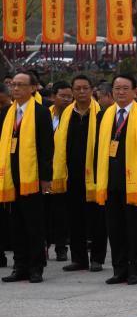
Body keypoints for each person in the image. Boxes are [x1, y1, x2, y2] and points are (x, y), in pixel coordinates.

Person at [94, 75, 137, 285]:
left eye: (124, 88)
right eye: (117, 88)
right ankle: (118, 269)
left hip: (134, 181)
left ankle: (134, 269)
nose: (120, 92)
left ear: (134, 91)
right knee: (115, 227)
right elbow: (98, 150)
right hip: (110, 180)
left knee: (135, 227)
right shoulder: (103, 116)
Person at [0, 72, 54, 283]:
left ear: (33, 88)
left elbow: (47, 147)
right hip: (11, 176)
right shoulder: (6, 112)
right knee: (16, 224)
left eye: (21, 85)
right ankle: (19, 266)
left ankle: (36, 267)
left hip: (32, 176)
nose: (16, 89)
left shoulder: (40, 113)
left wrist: (46, 178)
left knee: (34, 224)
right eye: (13, 85)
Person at [52, 75, 107, 273]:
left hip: (95, 176)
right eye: (78, 89)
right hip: (72, 175)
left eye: (85, 88)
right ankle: (79, 258)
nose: (82, 92)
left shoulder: (101, 114)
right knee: (74, 219)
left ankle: (97, 259)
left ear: (93, 90)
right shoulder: (67, 113)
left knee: (97, 220)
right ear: (73, 91)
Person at [47, 81, 74, 261]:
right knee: (46, 211)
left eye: (68, 97)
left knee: (62, 212)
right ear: (52, 97)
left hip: (67, 171)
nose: (66, 100)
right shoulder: (45, 115)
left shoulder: (74, 116)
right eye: (62, 96)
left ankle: (61, 246)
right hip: (47, 170)